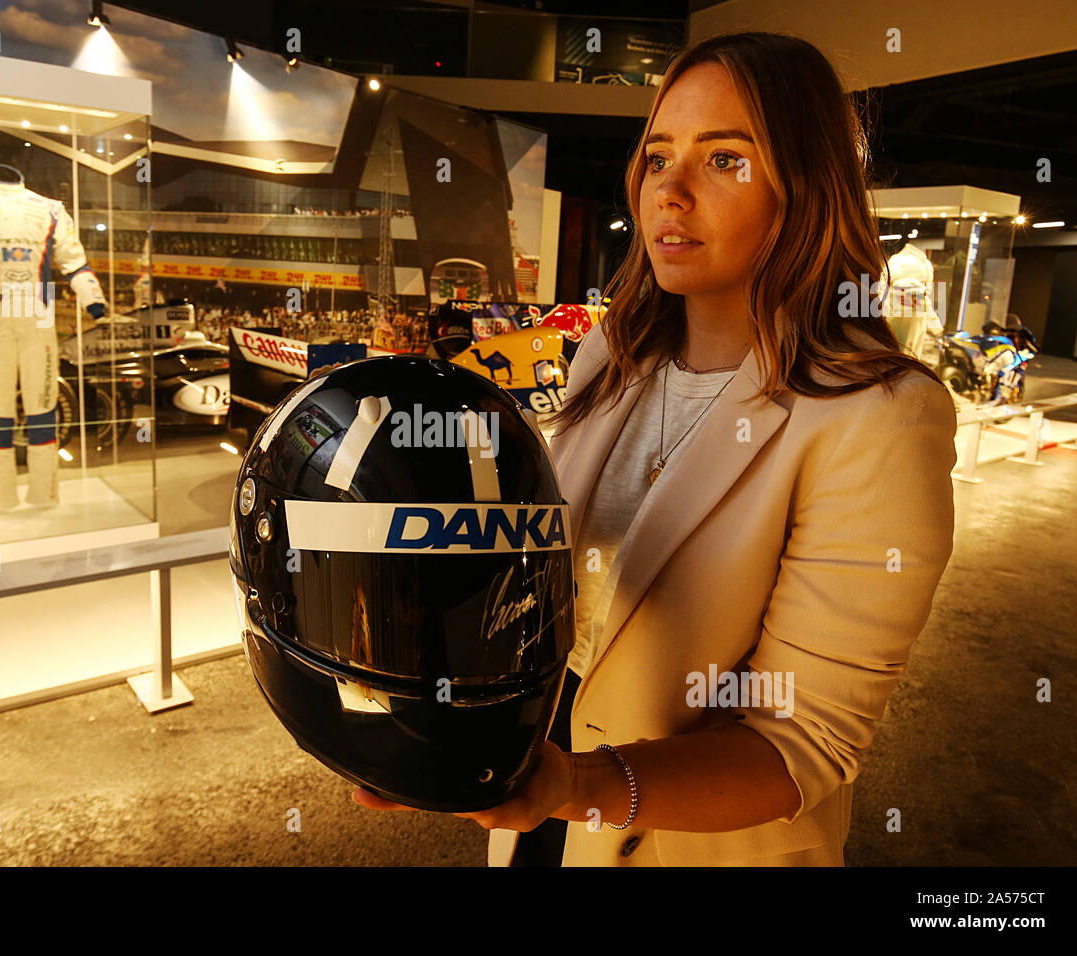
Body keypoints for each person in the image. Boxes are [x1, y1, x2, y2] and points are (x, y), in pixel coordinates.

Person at [352, 31, 957, 867]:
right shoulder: (610, 354)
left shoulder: (879, 417)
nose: (670, 190)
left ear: (807, 187)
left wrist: (581, 787)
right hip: (541, 816)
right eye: (658, 154)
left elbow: (801, 743)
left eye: (725, 160)